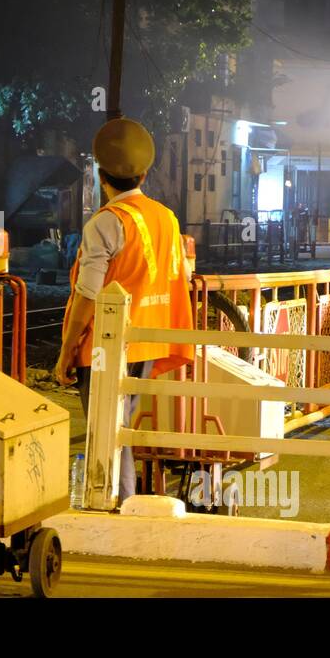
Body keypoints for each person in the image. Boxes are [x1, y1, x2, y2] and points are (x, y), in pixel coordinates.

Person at [54, 118, 194, 507]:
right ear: (145, 174)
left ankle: (117, 503)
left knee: (106, 428)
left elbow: (87, 295)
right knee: (119, 428)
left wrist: (66, 350)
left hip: (106, 346)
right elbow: (178, 275)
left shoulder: (105, 223)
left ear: (101, 176)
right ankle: (120, 501)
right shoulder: (166, 218)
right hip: (148, 342)